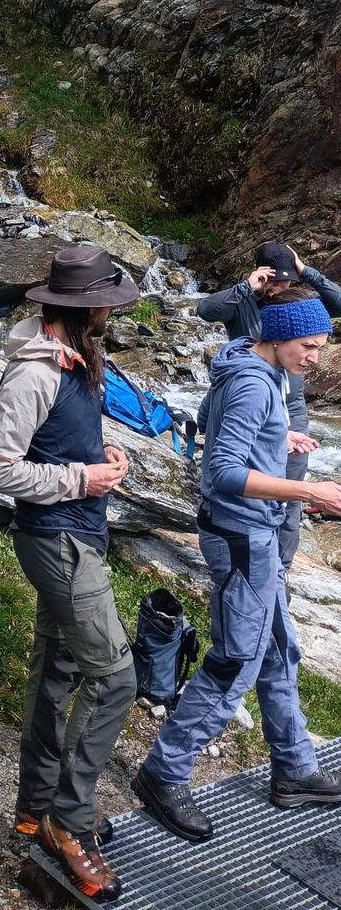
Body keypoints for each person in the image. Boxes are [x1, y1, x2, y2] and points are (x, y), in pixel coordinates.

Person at [133, 289, 341, 842]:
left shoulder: (249, 366)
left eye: (321, 348)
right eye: (309, 347)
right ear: (275, 337)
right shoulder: (254, 382)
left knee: (279, 646)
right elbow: (223, 471)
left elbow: (209, 423)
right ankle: (163, 773)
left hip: (254, 533)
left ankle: (295, 769)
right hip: (243, 536)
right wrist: (308, 492)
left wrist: (280, 440)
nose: (316, 358)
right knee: (236, 662)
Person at [0, 244, 140, 904]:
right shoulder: (33, 373)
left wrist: (96, 451)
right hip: (59, 544)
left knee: (59, 673)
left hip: (76, 535)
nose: (111, 311)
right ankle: (69, 823)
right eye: (106, 301)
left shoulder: (73, 356)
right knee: (116, 678)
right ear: (82, 306)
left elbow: (57, 440)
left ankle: (33, 809)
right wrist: (81, 477)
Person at [197, 241, 341, 568]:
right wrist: (247, 286)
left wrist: (306, 271)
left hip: (293, 412)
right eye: (276, 280)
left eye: (288, 280)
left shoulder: (301, 307)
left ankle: (280, 569)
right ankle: (253, 563)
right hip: (253, 404)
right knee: (253, 487)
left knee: (290, 498)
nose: (281, 287)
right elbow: (205, 310)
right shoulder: (243, 302)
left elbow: (339, 303)